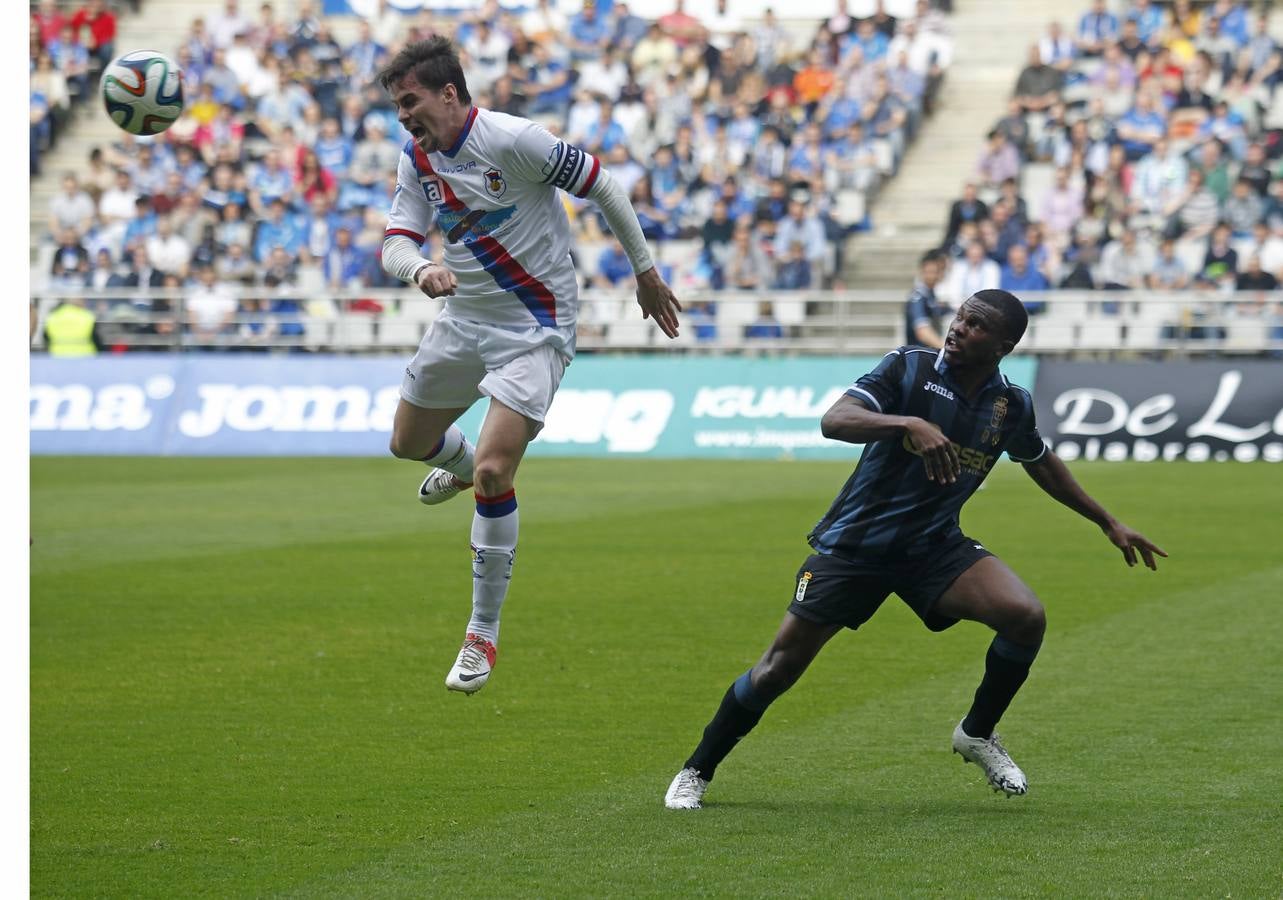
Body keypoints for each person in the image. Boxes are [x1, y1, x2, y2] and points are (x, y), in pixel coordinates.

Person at [664, 289, 1166, 810]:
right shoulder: (909, 367)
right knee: (777, 670)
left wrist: (1108, 522)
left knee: (1025, 617)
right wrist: (907, 423)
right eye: (960, 317)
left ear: (1003, 346)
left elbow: (1040, 462)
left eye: (975, 324)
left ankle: (976, 733)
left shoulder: (1010, 405)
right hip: (856, 547)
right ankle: (696, 769)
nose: (958, 327)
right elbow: (835, 421)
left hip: (933, 548)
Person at [378, 38, 682, 695]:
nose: (403, 116)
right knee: (406, 442)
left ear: (449, 94)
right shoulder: (417, 157)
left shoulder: (516, 140)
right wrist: (421, 269)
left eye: (410, 101)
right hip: (463, 319)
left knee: (495, 470)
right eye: (397, 106)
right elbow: (396, 238)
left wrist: (645, 272)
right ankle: (459, 468)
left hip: (534, 325)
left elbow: (603, 184)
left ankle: (481, 633)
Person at [904, 249, 949, 347]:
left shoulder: (931, 295)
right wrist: (945, 350)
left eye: (936, 271)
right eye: (930, 272)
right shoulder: (918, 297)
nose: (933, 276)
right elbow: (922, 332)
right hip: (919, 354)